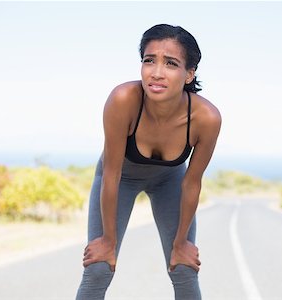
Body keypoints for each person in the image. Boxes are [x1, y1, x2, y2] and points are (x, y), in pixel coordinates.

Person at [75, 24, 221, 300]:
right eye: (149, 60)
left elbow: (192, 184)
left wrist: (180, 244)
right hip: (118, 178)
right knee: (98, 268)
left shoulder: (206, 118)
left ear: (189, 73)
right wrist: (107, 241)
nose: (156, 72)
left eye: (171, 63)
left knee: (184, 269)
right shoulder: (123, 100)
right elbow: (111, 174)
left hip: (170, 181)